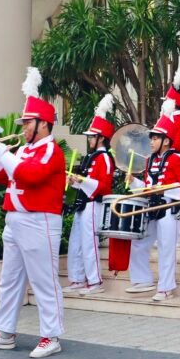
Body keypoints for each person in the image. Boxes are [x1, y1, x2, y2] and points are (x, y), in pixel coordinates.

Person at [0, 67, 66, 358]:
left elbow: (30, 176)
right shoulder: (24, 150)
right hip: (15, 218)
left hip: (39, 220)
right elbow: (6, 176)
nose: (24, 127)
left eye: (28, 123)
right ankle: (4, 332)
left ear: (43, 125)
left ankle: (51, 336)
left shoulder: (51, 150)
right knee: (9, 279)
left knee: (44, 280)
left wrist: (3, 153)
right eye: (24, 122)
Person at [126, 99, 180, 301]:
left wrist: (164, 189)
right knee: (139, 242)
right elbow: (147, 187)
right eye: (151, 138)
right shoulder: (149, 160)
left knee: (166, 248)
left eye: (155, 138)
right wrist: (134, 182)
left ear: (166, 141)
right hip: (151, 207)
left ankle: (166, 288)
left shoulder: (177, 159)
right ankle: (142, 279)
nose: (151, 142)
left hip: (169, 209)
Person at [64, 94, 116, 296]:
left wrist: (81, 181)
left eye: (92, 136)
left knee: (89, 243)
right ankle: (77, 278)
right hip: (84, 202)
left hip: (94, 203)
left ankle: (94, 281)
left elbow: (103, 185)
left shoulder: (104, 158)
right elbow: (87, 181)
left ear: (101, 138)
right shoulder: (92, 156)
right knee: (76, 242)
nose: (89, 139)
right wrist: (76, 182)